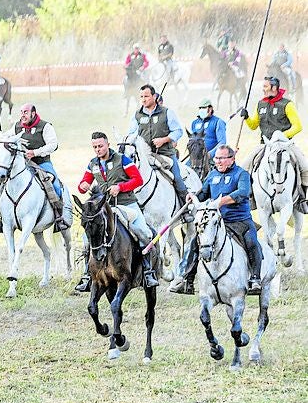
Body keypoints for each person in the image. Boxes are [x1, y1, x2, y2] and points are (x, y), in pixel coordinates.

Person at [169, 146, 263, 294]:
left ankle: (255, 279)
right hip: (216, 222)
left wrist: (222, 201)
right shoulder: (212, 176)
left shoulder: (241, 174)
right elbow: (204, 194)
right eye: (216, 158)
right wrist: (193, 197)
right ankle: (187, 280)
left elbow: (243, 192)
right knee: (195, 242)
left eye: (221, 158)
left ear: (232, 159)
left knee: (252, 242)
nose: (217, 161)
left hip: (240, 221)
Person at [74, 131, 160, 291]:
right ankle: (87, 274)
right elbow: (83, 182)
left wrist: (120, 187)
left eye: (100, 146)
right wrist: (83, 185)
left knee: (144, 232)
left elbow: (138, 179)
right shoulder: (93, 164)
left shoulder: (122, 160)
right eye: (95, 147)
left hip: (127, 204)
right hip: (104, 208)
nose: (98, 149)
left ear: (107, 144)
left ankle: (148, 271)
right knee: (88, 238)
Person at [0, 103, 69, 233]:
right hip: (23, 164)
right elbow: (7, 138)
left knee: (54, 184)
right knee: (2, 184)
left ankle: (58, 216)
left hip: (42, 163)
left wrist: (35, 152)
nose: (23, 115)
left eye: (26, 112)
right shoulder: (17, 126)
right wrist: (2, 137)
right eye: (21, 112)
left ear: (33, 113)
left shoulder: (45, 127)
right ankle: (3, 217)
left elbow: (53, 145)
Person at [239, 76, 308, 213]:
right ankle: (250, 198)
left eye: (265, 86)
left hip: (285, 145)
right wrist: (247, 117)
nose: (263, 89)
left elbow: (298, 126)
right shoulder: (260, 104)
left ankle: (303, 199)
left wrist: (282, 136)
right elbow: (253, 125)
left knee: (305, 166)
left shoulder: (287, 104)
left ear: (274, 88)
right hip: (265, 145)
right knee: (243, 168)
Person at [128, 84, 189, 202]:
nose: (143, 99)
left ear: (154, 96)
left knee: (176, 177)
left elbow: (178, 131)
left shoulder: (167, 112)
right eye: (141, 97)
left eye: (146, 96)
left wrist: (164, 140)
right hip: (144, 156)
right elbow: (131, 134)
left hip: (165, 154)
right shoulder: (137, 115)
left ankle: (186, 206)